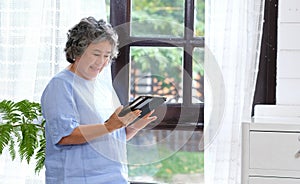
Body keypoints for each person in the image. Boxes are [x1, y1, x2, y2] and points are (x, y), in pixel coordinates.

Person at [41, 16, 157, 184]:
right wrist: (109, 126)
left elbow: (112, 136)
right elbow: (64, 136)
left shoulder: (103, 86)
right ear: (77, 51)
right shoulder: (60, 85)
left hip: (115, 178)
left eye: (107, 56)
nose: (101, 62)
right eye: (96, 54)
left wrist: (132, 128)